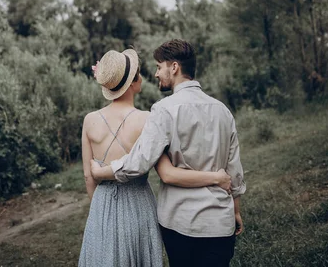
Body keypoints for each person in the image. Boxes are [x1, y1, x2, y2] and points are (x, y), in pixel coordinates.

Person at [91, 39, 246, 267]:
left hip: (181, 224)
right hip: (220, 224)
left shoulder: (163, 110)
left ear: (174, 67)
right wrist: (235, 211)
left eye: (158, 66)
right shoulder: (223, 111)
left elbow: (139, 161)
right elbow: (234, 169)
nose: (155, 74)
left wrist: (101, 172)